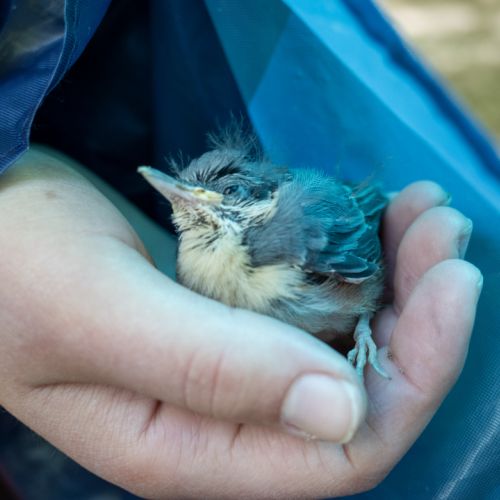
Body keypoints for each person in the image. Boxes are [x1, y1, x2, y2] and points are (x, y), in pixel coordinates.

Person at [0, 144, 481, 498]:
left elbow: (367, 269)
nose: (197, 201)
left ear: (264, 198)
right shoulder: (194, 266)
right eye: (188, 196)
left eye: (228, 192)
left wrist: (362, 327)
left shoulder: (301, 231)